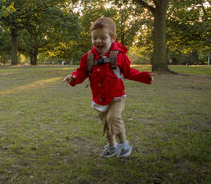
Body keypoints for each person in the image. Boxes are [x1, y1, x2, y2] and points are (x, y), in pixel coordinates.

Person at [62, 17, 155, 158]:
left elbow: (129, 73)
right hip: (99, 98)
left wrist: (145, 76)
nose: (98, 41)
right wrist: (73, 78)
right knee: (106, 124)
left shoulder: (119, 56)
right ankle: (112, 146)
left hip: (116, 96)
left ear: (113, 38)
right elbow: (81, 72)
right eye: (94, 38)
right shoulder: (88, 57)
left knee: (113, 118)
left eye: (103, 38)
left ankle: (124, 144)